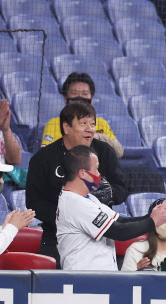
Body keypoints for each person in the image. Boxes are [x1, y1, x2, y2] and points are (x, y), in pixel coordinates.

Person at [27, 101, 129, 267]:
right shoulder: (42, 159)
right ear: (66, 128)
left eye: (92, 124)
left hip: (98, 235)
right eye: (83, 124)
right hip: (57, 236)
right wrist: (68, 218)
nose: (90, 129)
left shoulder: (105, 152)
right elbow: (34, 202)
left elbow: (122, 189)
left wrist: (110, 193)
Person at [56, 146, 166, 271]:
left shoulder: (88, 198)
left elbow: (121, 221)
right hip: (83, 280)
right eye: (96, 169)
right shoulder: (75, 204)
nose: (99, 174)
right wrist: (153, 221)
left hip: (97, 278)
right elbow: (119, 231)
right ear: (83, 173)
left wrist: (157, 217)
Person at [41, 72, 124, 157]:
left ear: (91, 99)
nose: (80, 97)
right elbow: (44, 153)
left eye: (85, 94)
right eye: (74, 93)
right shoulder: (54, 123)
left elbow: (119, 152)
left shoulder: (101, 123)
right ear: (65, 98)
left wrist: (97, 137)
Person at [121, 198, 166, 272]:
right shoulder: (135, 250)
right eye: (163, 219)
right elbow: (125, 283)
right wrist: (137, 274)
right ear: (152, 222)